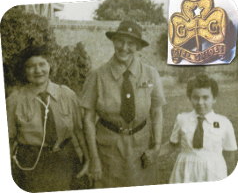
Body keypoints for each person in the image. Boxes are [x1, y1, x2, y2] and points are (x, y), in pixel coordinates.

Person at [80, 20, 167, 189]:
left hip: (142, 149)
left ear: (138, 48)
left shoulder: (150, 74)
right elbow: (88, 119)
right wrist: (94, 159)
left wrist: (156, 146)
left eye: (131, 43)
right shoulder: (97, 76)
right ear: (113, 42)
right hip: (108, 150)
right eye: (120, 41)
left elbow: (156, 112)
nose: (124, 47)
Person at [6, 45, 89, 192]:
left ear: (49, 66)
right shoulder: (15, 100)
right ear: (24, 71)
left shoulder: (67, 95)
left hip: (66, 161)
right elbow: (10, 138)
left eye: (42, 64)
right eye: (30, 66)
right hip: (31, 166)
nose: (38, 71)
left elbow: (79, 131)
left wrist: (88, 159)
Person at [159, 74, 237, 184]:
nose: (200, 102)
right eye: (195, 98)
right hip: (186, 170)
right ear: (190, 98)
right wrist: (153, 154)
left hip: (213, 171)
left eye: (205, 97)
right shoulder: (182, 119)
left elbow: (230, 155)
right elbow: (173, 144)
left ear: (214, 98)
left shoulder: (224, 123)